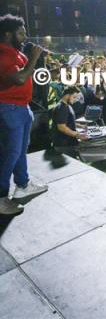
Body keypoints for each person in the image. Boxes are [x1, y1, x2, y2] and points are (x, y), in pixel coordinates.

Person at [0, 15, 49, 215]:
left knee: (20, 151)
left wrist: (36, 58)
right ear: (7, 34)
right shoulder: (3, 55)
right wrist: (35, 57)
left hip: (21, 107)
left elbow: (26, 74)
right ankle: (1, 197)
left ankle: (22, 185)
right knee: (10, 154)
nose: (25, 36)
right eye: (21, 33)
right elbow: (19, 78)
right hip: (9, 108)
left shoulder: (15, 52)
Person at [52, 86, 89, 155]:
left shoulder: (67, 105)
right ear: (67, 95)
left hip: (68, 143)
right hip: (63, 145)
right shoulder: (61, 108)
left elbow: (68, 121)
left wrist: (81, 126)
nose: (76, 100)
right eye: (74, 97)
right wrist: (78, 135)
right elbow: (62, 127)